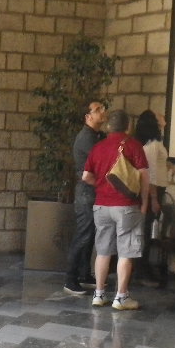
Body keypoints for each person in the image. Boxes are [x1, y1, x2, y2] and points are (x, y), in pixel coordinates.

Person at [82, 109, 149, 310]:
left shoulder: (98, 147)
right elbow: (144, 177)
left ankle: (99, 294)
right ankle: (121, 297)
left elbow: (86, 176)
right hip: (127, 205)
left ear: (108, 126)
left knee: (103, 251)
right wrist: (144, 202)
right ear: (128, 126)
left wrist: (100, 185)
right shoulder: (134, 145)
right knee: (125, 252)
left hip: (101, 205)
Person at [63, 101, 107, 295]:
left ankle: (83, 274)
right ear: (88, 117)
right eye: (98, 110)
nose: (102, 112)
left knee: (89, 235)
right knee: (83, 234)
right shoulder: (86, 138)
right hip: (86, 192)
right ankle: (70, 279)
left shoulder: (97, 136)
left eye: (103, 109)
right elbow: (102, 161)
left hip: (92, 191)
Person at [134, 110, 168, 284]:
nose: (163, 117)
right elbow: (151, 174)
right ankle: (141, 268)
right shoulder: (152, 144)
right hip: (152, 191)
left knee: (147, 229)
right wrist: (154, 199)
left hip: (153, 190)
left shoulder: (154, 142)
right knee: (146, 230)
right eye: (158, 116)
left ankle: (142, 267)